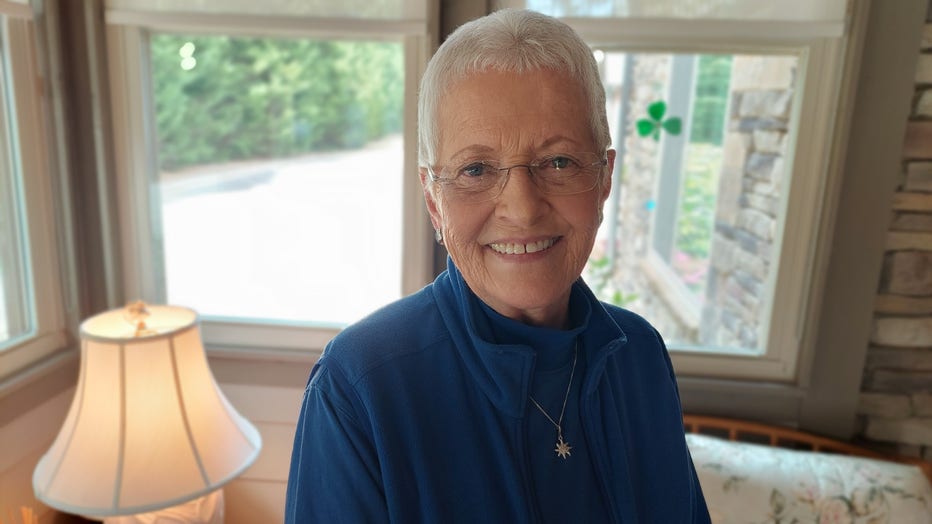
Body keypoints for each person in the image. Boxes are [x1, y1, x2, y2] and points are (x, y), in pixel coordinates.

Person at [285, 8, 710, 523]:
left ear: (604, 180)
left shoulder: (639, 355)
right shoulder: (359, 390)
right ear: (433, 201)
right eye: (476, 169)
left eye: (559, 161)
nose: (523, 208)